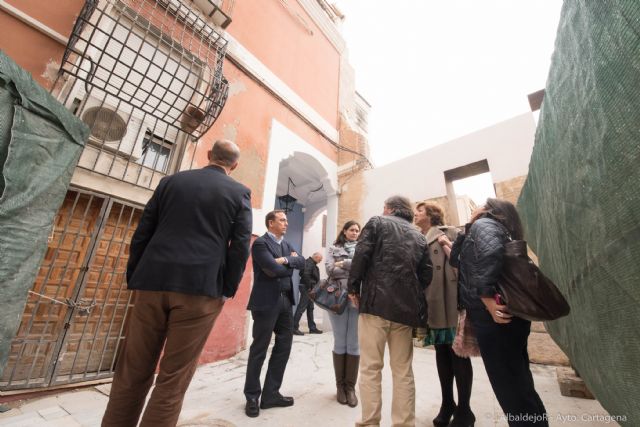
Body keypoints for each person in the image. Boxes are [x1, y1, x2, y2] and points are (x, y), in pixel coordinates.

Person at [101, 140, 252, 427]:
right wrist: (226, 290)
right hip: (201, 289)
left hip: (152, 282)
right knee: (174, 377)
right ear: (234, 165)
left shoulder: (171, 182)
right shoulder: (239, 192)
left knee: (132, 369)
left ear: (209, 156)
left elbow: (143, 230)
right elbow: (240, 246)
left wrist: (136, 276)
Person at [449, 198, 548, 427]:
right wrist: (466, 229)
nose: (475, 209)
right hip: (504, 317)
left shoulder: (485, 226)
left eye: (480, 205)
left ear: (490, 210)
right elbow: (456, 260)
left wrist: (486, 299)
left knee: (510, 387)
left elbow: (490, 254)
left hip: (496, 317)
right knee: (519, 383)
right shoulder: (486, 228)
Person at [348, 196, 433, 427]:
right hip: (406, 313)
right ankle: (404, 423)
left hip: (375, 306)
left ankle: (370, 422)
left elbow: (361, 256)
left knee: (370, 368)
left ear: (389, 209)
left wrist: (353, 288)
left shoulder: (377, 222)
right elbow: (426, 276)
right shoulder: (419, 236)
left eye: (383, 207)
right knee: (403, 370)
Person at [415, 202, 475, 427]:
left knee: (458, 354)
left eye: (419, 210)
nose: (415, 213)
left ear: (431, 215)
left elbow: (466, 264)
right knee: (441, 352)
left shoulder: (449, 232)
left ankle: (465, 410)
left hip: (452, 301)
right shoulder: (419, 237)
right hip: (433, 301)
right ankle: (447, 403)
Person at [243, 210, 305, 418]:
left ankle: (270, 395)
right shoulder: (260, 244)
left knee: (284, 347)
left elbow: (302, 262)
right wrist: (289, 263)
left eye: (287, 220)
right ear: (271, 223)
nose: (286, 223)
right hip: (265, 303)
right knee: (259, 349)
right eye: (282, 220)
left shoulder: (286, 245)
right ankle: (252, 396)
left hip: (286, 301)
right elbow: (271, 270)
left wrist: (284, 261)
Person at [326, 220, 361, 407]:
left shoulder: (364, 248)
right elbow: (329, 269)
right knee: (340, 340)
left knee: (353, 342)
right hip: (337, 297)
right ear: (345, 231)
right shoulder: (333, 248)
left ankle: (350, 388)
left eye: (357, 230)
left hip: (357, 298)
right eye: (352, 230)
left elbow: (364, 269)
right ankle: (340, 387)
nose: (355, 232)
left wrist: (344, 263)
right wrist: (352, 267)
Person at [293, 252, 323, 335]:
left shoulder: (309, 262)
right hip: (307, 288)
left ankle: (312, 328)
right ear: (316, 257)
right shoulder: (309, 263)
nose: (320, 261)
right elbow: (306, 275)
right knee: (302, 307)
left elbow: (303, 274)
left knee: (310, 308)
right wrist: (309, 288)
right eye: (320, 259)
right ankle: (294, 327)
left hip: (309, 288)